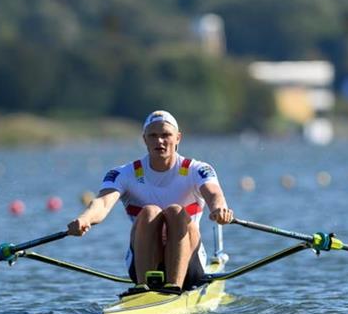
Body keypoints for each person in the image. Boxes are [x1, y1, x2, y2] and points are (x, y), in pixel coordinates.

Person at [67, 110, 233, 294]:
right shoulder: (124, 173)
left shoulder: (197, 169)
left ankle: (174, 286)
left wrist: (220, 209)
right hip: (141, 263)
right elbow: (103, 203)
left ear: (178, 138)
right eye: (153, 136)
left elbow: (214, 194)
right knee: (150, 212)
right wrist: (84, 219)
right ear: (145, 139)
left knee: (175, 211)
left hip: (190, 267)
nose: (159, 141)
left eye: (165, 135)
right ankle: (143, 287)